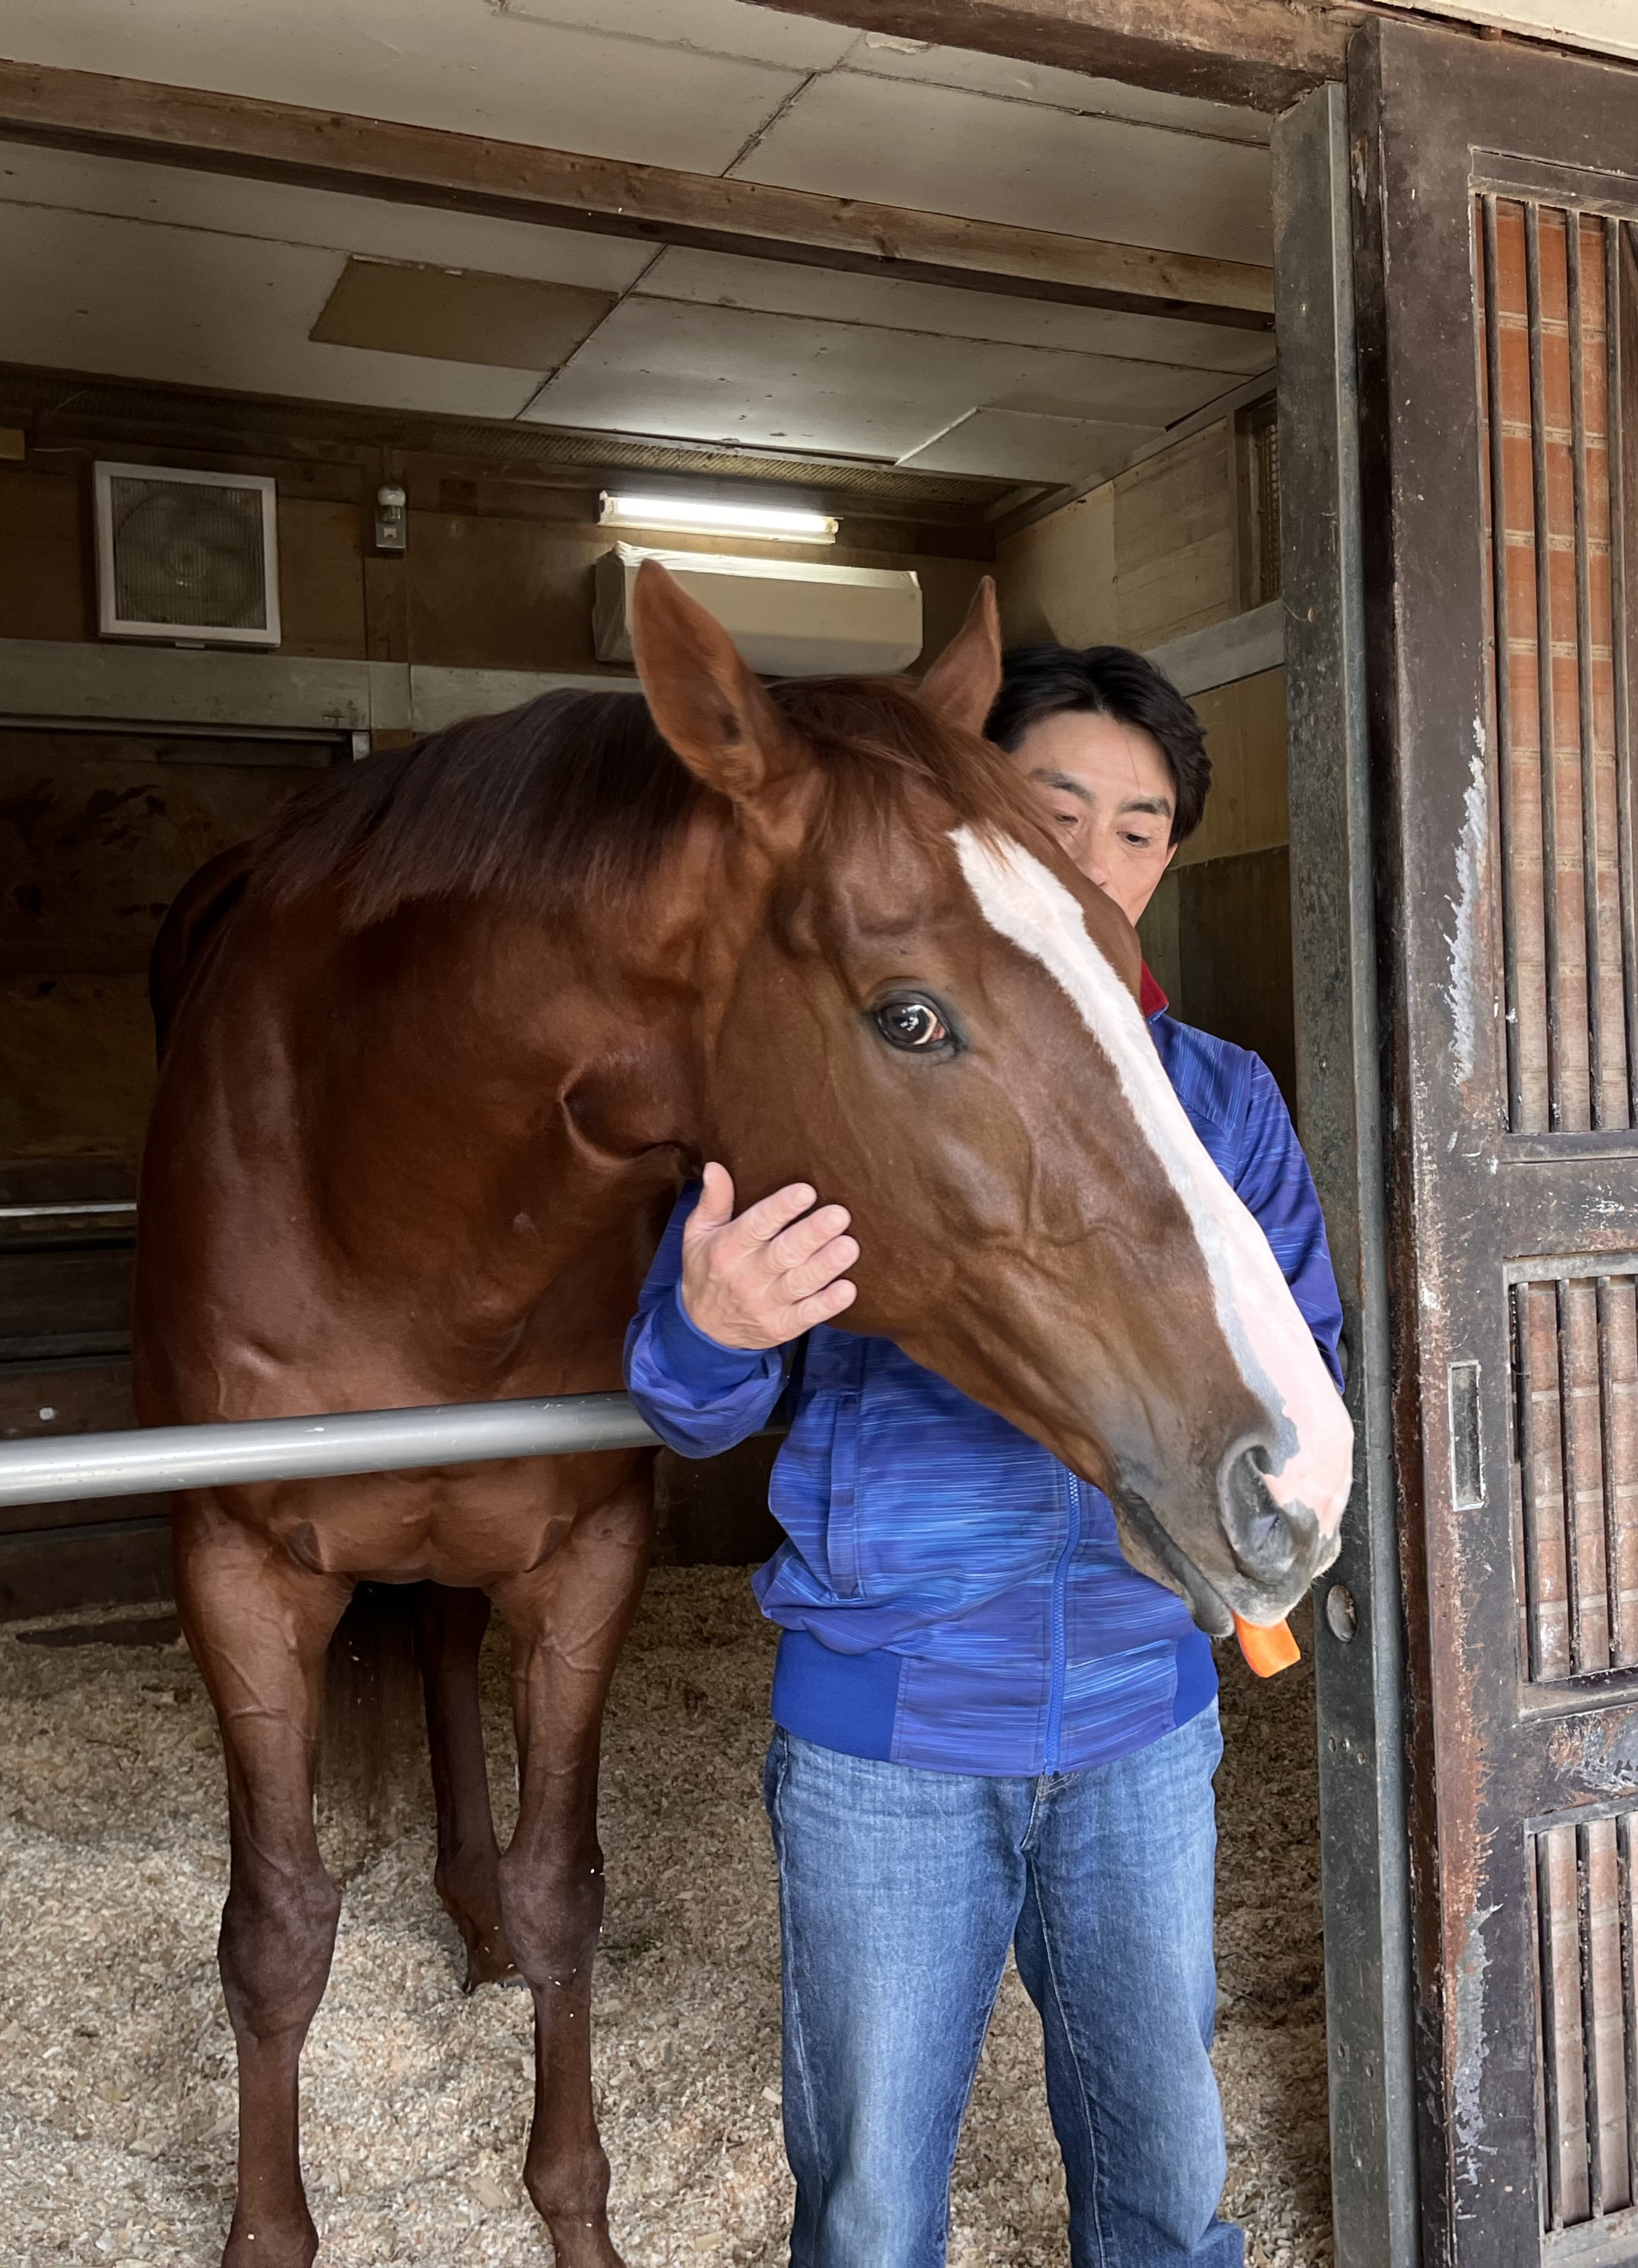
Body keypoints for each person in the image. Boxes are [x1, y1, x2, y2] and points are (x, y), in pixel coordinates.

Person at [622, 640, 1343, 2268]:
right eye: (1050, 805)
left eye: (1142, 826)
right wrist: (711, 1333)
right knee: (875, 2197)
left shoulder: (1219, 1102)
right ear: (968, 818)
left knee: (1163, 2159)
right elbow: (695, 1412)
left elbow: (1303, 1359)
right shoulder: (852, 1061)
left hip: (1142, 1721)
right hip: (891, 1733)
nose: (1095, 854)